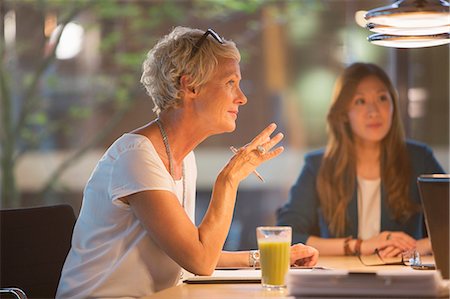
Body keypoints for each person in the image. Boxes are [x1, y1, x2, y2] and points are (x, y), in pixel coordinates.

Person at [56, 27, 318, 298]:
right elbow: (200, 261)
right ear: (190, 85)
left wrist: (269, 257)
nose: (242, 97)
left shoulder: (183, 157)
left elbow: (194, 249)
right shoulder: (136, 156)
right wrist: (229, 179)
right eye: (230, 82)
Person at [277, 62, 444, 258]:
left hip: (401, 276)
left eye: (382, 98)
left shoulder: (419, 158)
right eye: (360, 101)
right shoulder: (318, 165)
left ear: (393, 107)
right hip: (341, 280)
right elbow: (287, 237)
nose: (373, 111)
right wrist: (359, 245)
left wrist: (421, 246)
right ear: (344, 114)